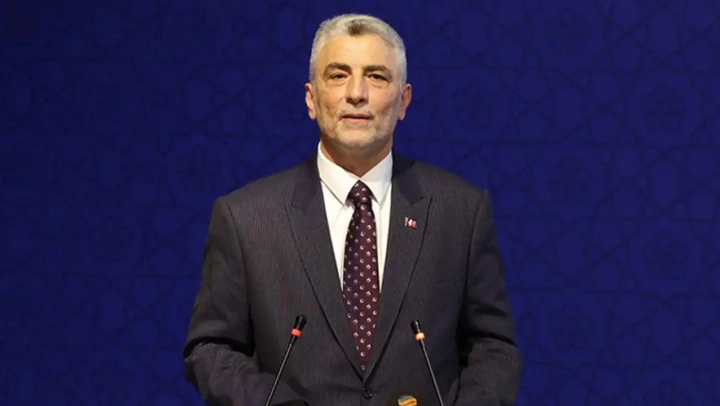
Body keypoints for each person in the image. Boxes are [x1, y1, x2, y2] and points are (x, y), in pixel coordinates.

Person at [183, 13, 522, 406]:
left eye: (376, 76)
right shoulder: (246, 218)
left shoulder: (460, 210)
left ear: (404, 100)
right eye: (338, 75)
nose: (356, 93)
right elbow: (211, 349)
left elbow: (493, 346)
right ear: (311, 99)